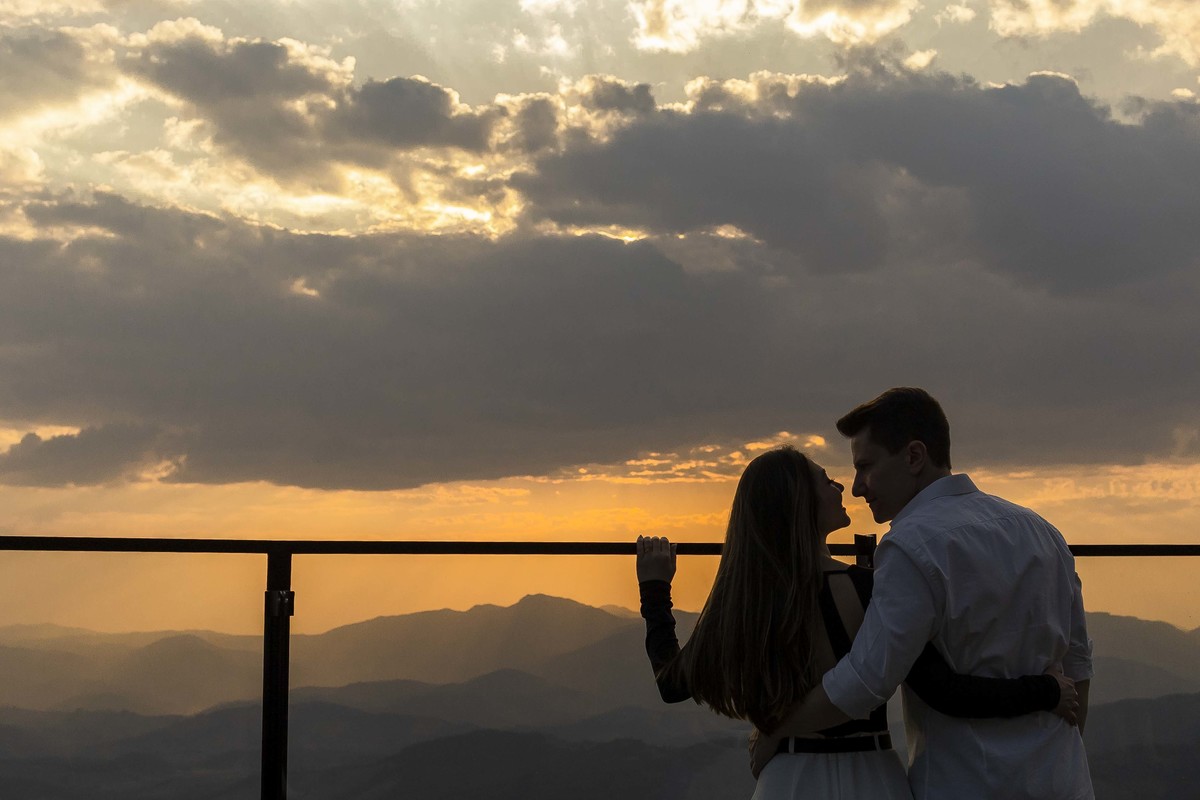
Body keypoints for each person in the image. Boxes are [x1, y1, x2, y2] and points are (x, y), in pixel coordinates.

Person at [636, 444, 1077, 799]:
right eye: (824, 480)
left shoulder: (745, 604)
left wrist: (655, 591)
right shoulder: (871, 589)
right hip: (873, 775)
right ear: (798, 504)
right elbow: (945, 690)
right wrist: (1046, 690)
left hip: (788, 777)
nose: (841, 488)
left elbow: (672, 683)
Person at [747, 388, 1094, 799]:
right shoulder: (1042, 531)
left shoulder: (911, 545)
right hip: (1063, 778)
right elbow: (1078, 664)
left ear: (914, 456)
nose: (857, 488)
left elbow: (865, 680)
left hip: (966, 781)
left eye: (866, 466)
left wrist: (777, 729)